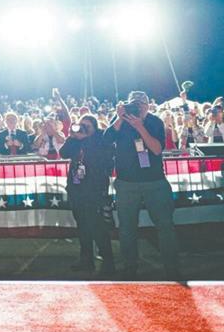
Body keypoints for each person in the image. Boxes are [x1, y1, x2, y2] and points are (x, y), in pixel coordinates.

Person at [104, 91, 179, 280]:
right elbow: (106, 140)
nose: (137, 107)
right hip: (126, 182)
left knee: (165, 225)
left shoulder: (155, 122)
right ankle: (130, 266)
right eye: (133, 104)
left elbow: (156, 149)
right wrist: (120, 118)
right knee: (127, 227)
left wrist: (140, 126)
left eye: (141, 104)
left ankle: (171, 266)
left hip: (154, 181)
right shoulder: (121, 120)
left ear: (148, 105)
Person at [60, 115, 115, 276]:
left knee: (97, 225)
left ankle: (108, 260)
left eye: (87, 126)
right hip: (77, 188)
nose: (83, 129)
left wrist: (85, 139)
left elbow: (103, 159)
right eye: (81, 125)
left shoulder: (101, 138)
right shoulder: (76, 140)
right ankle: (86, 259)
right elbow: (63, 153)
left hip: (95, 189)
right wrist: (72, 137)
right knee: (82, 224)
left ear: (95, 128)